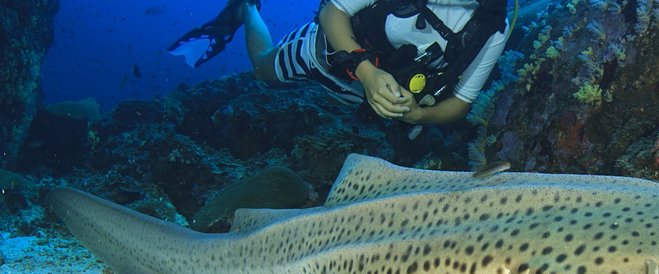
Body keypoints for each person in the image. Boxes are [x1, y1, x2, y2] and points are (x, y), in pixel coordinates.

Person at [169, 0, 510, 126]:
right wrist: (366, 71)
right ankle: (247, 8)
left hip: (360, 100)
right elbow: (333, 12)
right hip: (323, 54)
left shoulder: (493, 26)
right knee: (262, 70)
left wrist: (416, 115)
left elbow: (462, 101)